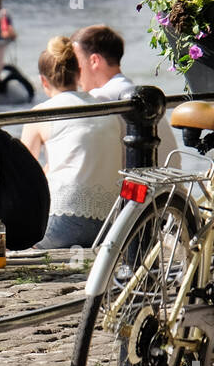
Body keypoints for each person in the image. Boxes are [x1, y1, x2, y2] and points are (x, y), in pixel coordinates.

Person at [21, 38, 123, 249]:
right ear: (79, 72)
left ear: (43, 81)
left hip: (63, 224)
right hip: (109, 226)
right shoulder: (108, 110)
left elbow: (23, 177)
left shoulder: (41, 112)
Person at [72, 23, 178, 161]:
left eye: (76, 64)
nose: (73, 72)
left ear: (94, 61)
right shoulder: (142, 95)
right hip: (170, 178)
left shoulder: (99, 98)